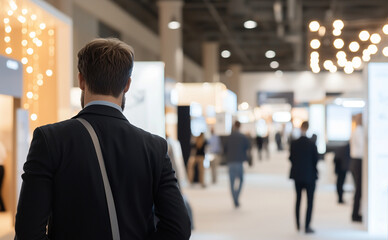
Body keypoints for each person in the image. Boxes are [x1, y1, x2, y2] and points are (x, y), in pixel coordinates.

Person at [15, 38, 191, 239]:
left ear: (81, 80)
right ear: (127, 85)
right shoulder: (154, 147)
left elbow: (28, 231)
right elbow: (178, 228)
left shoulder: (50, 140)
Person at [289, 121, 318, 234]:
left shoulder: (294, 143)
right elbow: (315, 160)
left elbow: (291, 158)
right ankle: (307, 226)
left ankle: (297, 224)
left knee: (298, 199)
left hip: (297, 175)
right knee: (309, 201)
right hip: (310, 175)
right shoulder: (312, 143)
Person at [224, 121, 250, 208]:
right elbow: (247, 147)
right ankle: (236, 197)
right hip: (239, 161)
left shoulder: (229, 137)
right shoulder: (243, 137)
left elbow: (225, 149)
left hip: (231, 161)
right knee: (241, 180)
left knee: (231, 182)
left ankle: (234, 198)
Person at [350, 113, 364, 222]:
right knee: (358, 190)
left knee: (358, 189)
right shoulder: (359, 131)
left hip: (356, 162)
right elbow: (362, 147)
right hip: (358, 162)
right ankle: (355, 214)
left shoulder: (356, 130)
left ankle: (356, 213)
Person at [0, 141, 6, 212]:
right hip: (2, 168)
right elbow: (4, 156)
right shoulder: (1, 144)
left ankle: (3, 209)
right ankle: (3, 208)